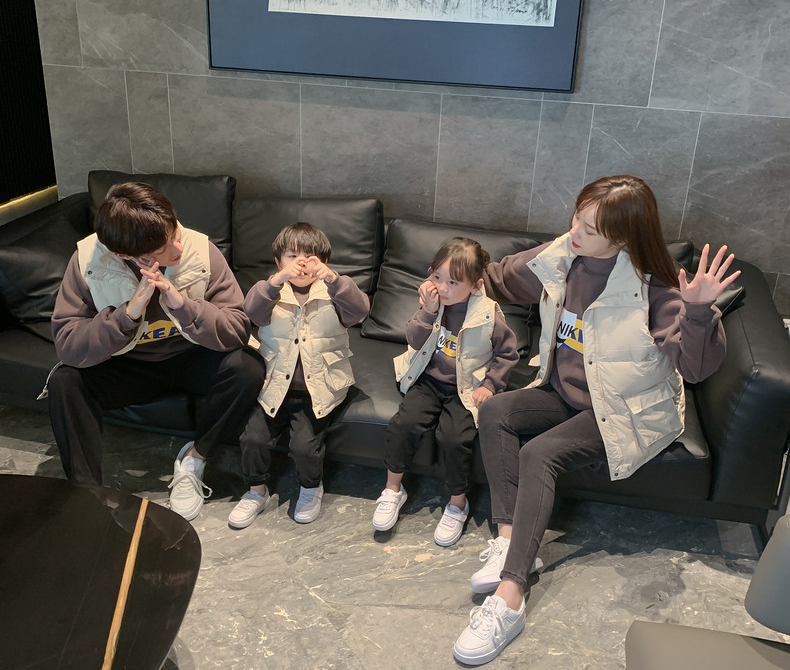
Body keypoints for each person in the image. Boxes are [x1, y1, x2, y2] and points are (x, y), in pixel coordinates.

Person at [452, 174, 740, 666]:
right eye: (576, 218)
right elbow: (499, 279)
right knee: (496, 408)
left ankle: (510, 597)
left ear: (623, 237)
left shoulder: (653, 288)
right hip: (564, 392)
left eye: (590, 227)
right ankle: (510, 542)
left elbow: (694, 369)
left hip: (620, 410)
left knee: (538, 454)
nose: (575, 231)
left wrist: (697, 311)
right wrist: (454, 275)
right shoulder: (569, 255)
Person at [46, 181, 265, 520]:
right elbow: (69, 345)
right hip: (128, 364)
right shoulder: (87, 261)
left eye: (175, 231)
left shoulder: (201, 249)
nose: (179, 247)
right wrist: (126, 315)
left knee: (247, 367)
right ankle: (87, 496)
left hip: (192, 356)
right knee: (65, 382)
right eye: (164, 248)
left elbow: (238, 328)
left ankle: (194, 459)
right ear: (126, 255)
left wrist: (183, 306)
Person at [373, 237, 519, 544]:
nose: (442, 287)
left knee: (454, 438)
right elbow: (414, 340)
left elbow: (507, 354)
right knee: (403, 424)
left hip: (465, 387)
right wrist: (428, 312)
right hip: (428, 379)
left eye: (453, 282)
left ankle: (457, 504)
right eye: (436, 276)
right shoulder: (433, 304)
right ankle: (392, 488)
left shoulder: (488, 313)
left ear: (476, 285)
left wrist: (491, 384)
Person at [229, 222, 369, 528]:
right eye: (292, 256)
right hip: (274, 386)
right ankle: (256, 491)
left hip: (319, 388)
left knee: (304, 447)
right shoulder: (270, 291)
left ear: (324, 262)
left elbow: (359, 311)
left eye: (310, 257)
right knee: (253, 439)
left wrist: (333, 279)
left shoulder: (333, 291)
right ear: (278, 262)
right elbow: (252, 312)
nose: (301, 264)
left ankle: (310, 487)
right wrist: (275, 282)